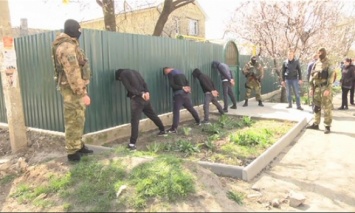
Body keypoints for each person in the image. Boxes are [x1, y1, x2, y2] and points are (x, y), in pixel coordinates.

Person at [52, 19, 93, 162]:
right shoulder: (66, 47)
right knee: (73, 119)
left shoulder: (70, 44)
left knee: (79, 118)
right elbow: (73, 72)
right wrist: (83, 93)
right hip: (72, 89)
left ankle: (78, 145)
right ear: (73, 30)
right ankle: (72, 151)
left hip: (74, 88)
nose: (80, 32)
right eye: (79, 30)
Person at [115, 69, 167, 150]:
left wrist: (140, 94)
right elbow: (144, 83)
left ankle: (132, 144)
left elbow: (128, 87)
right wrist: (147, 92)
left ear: (119, 76)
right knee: (152, 115)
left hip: (137, 99)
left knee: (135, 121)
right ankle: (163, 130)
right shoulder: (135, 72)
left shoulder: (123, 74)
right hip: (145, 98)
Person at [163, 67, 201, 133]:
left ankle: (174, 128)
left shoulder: (170, 73)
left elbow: (172, 85)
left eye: (165, 73)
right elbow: (187, 82)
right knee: (190, 108)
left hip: (178, 95)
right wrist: (187, 88)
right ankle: (198, 121)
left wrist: (181, 87)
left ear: (167, 70)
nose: (166, 74)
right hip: (186, 94)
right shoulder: (181, 72)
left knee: (176, 111)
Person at [307, 47, 335, 134]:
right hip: (316, 88)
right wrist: (311, 88)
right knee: (316, 107)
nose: (319, 53)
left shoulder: (329, 63)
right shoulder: (316, 63)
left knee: (327, 107)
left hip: (324, 88)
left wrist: (328, 89)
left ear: (324, 52)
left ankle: (327, 126)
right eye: (318, 52)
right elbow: (311, 76)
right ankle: (316, 124)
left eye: (321, 52)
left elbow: (331, 76)